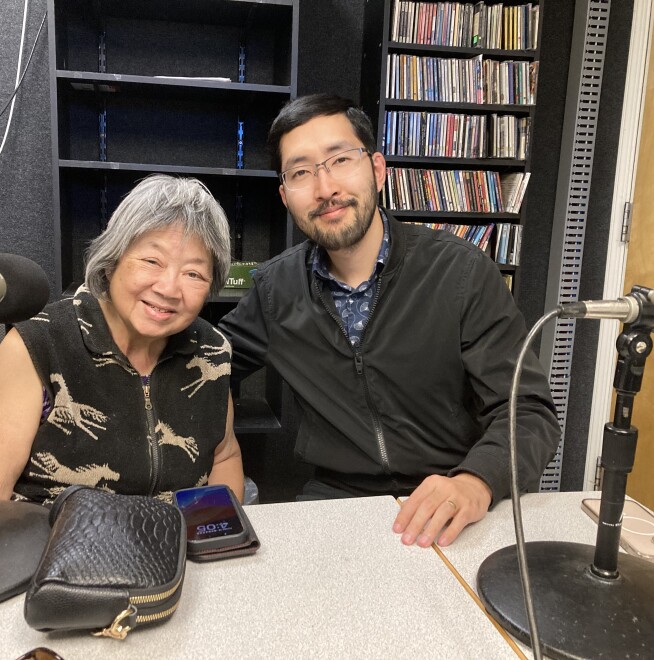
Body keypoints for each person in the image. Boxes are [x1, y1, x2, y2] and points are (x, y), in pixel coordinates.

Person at [218, 94, 560, 546]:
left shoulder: (459, 272)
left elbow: (529, 411)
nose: (325, 188)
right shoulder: (275, 289)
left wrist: (477, 482)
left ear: (377, 169)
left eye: (340, 159)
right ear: (285, 196)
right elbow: (202, 364)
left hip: (454, 494)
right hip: (337, 500)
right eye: (301, 172)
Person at [0, 175, 244, 505]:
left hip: (173, 545)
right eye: (152, 261)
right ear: (111, 262)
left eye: (193, 273)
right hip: (55, 548)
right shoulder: (36, 345)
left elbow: (224, 457)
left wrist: (213, 532)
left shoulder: (212, 351)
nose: (169, 288)